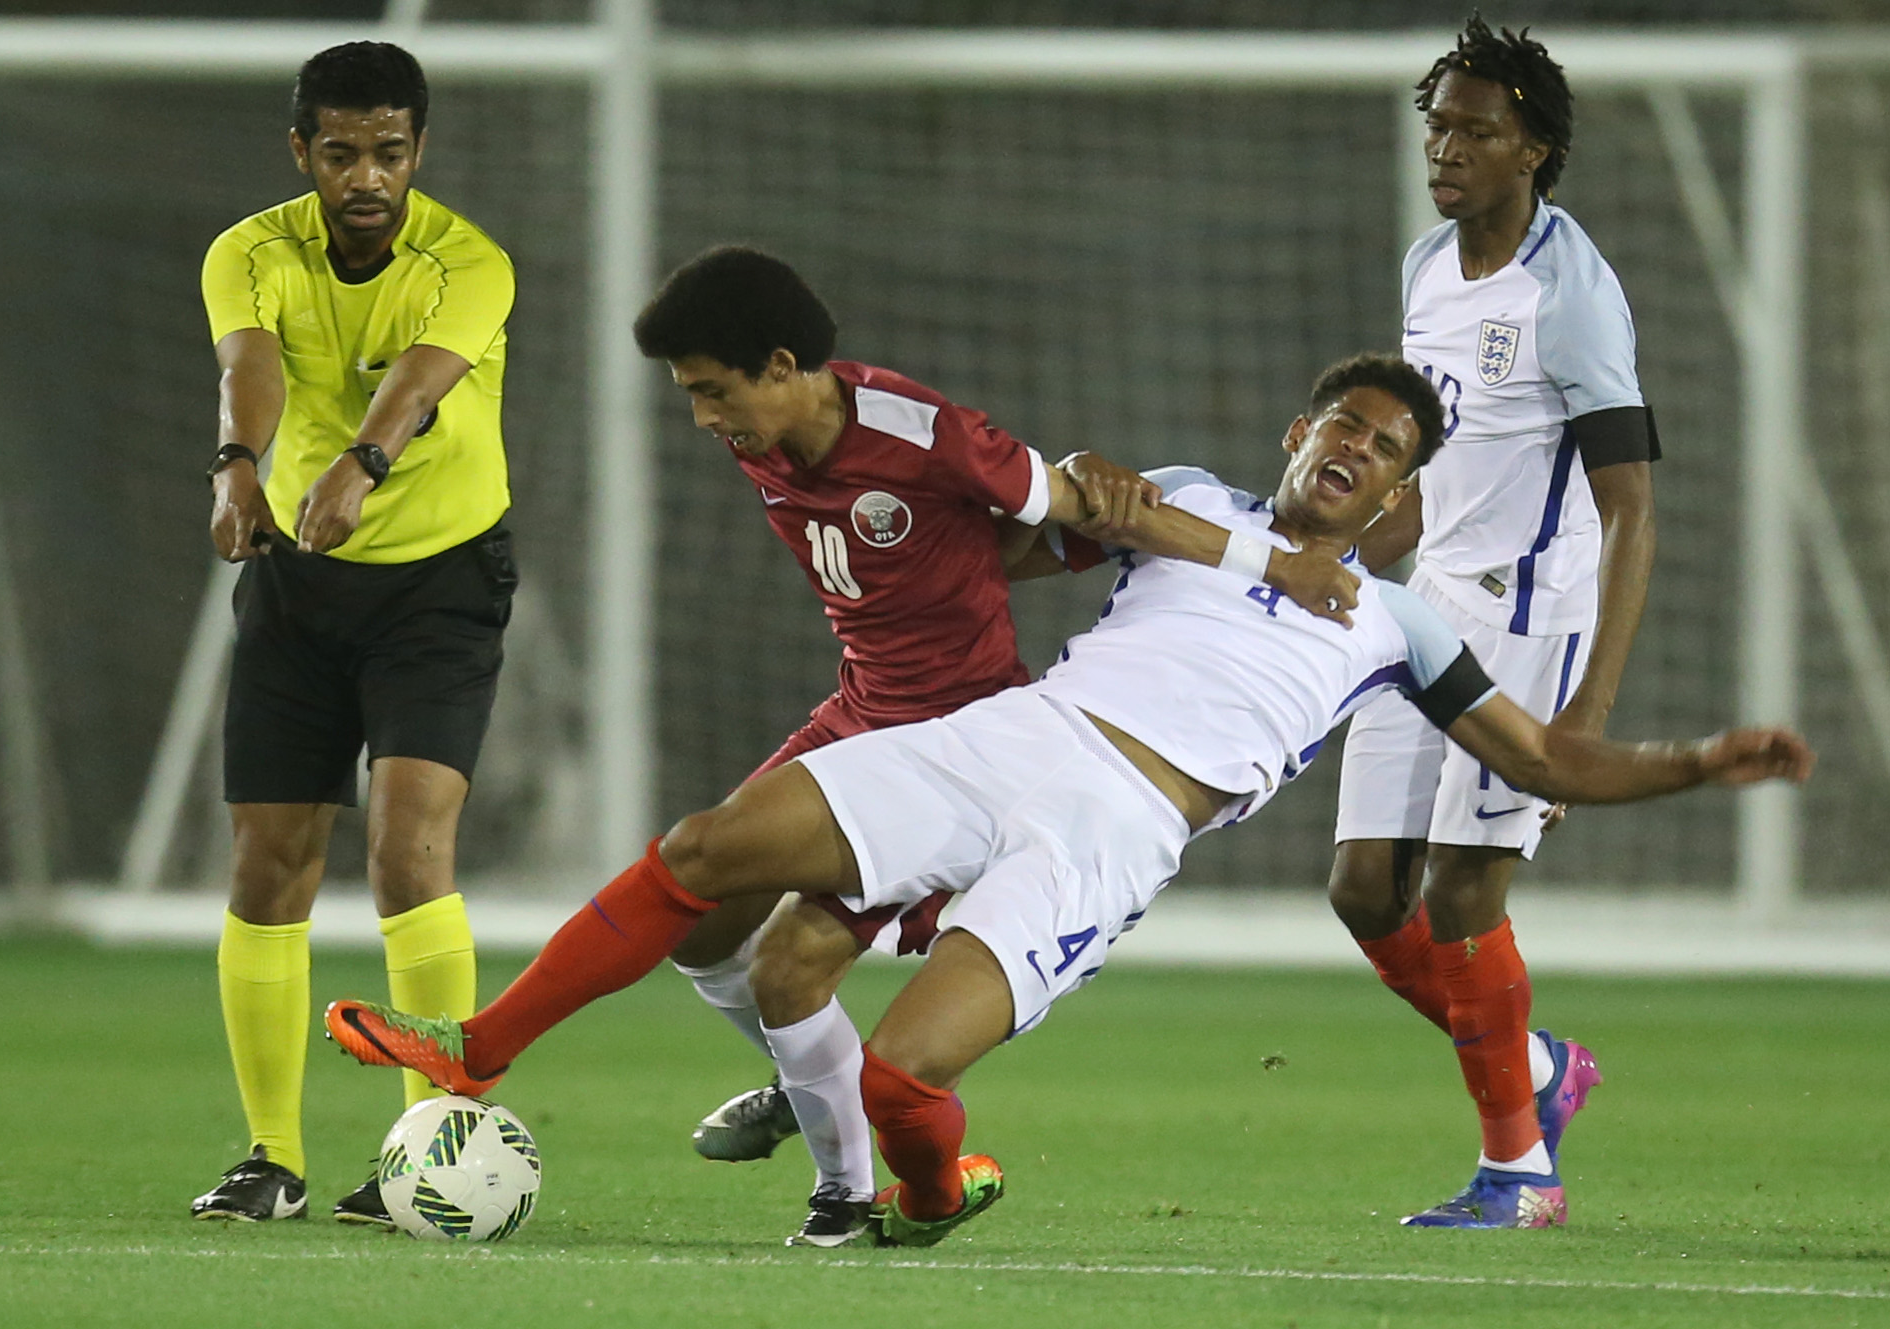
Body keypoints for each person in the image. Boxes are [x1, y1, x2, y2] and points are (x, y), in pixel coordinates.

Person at [324, 355, 1809, 1247]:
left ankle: (912, 1194)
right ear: (1296, 435)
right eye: (1339, 427)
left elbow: (1542, 760)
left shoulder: (1393, 626)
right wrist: (1043, 506)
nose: (1352, 453)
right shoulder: (1189, 506)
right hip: (1004, 735)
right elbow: (1004, 560)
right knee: (711, 846)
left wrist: (1694, 764)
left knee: (909, 1082)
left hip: (1112, 835)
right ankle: (478, 1053)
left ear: (1396, 500)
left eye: (1384, 452)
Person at [512, 244, 1351, 1247]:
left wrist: (1262, 557)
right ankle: (805, 1084)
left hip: (964, 739)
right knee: (703, 926)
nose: (702, 417)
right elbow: (970, 549)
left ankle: (856, 1190)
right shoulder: (765, 438)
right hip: (864, 712)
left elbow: (1085, 513)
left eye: (711, 390)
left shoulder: (923, 434)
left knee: (790, 974)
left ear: (780, 367)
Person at [1324, 17, 1663, 1229]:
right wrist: (1351, 545)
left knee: (1468, 893)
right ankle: (1535, 1067)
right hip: (1428, 610)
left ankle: (1520, 1173)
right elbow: (1438, 466)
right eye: (1439, 124)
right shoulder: (1426, 268)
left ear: (1535, 148)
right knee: (1365, 889)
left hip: (1532, 621)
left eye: (1477, 129)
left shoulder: (1573, 294)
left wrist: (1585, 723)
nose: (1446, 146)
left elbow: (1630, 514)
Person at [189, 41, 517, 1227]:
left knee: (406, 852)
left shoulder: (470, 262)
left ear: (418, 151)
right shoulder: (250, 250)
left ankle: (434, 1148)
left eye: (387, 152)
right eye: (340, 154)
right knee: (268, 862)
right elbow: (249, 365)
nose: (364, 175)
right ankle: (268, 1156)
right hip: (298, 582)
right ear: (302, 153)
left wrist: (358, 465)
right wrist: (239, 467)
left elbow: (421, 383)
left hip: (440, 583)